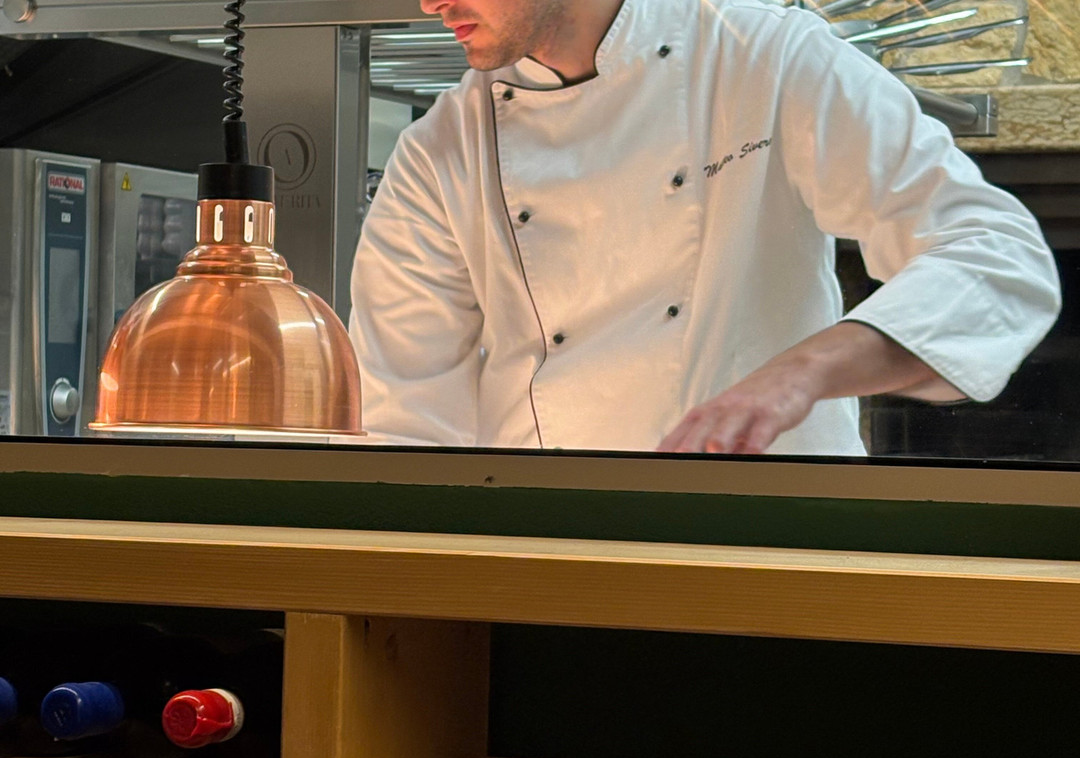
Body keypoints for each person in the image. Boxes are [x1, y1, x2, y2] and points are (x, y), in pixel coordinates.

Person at [348, 0, 1060, 454]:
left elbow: (993, 255)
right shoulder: (440, 152)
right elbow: (406, 425)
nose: (429, 2)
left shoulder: (765, 58)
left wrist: (801, 373)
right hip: (552, 553)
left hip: (770, 544)